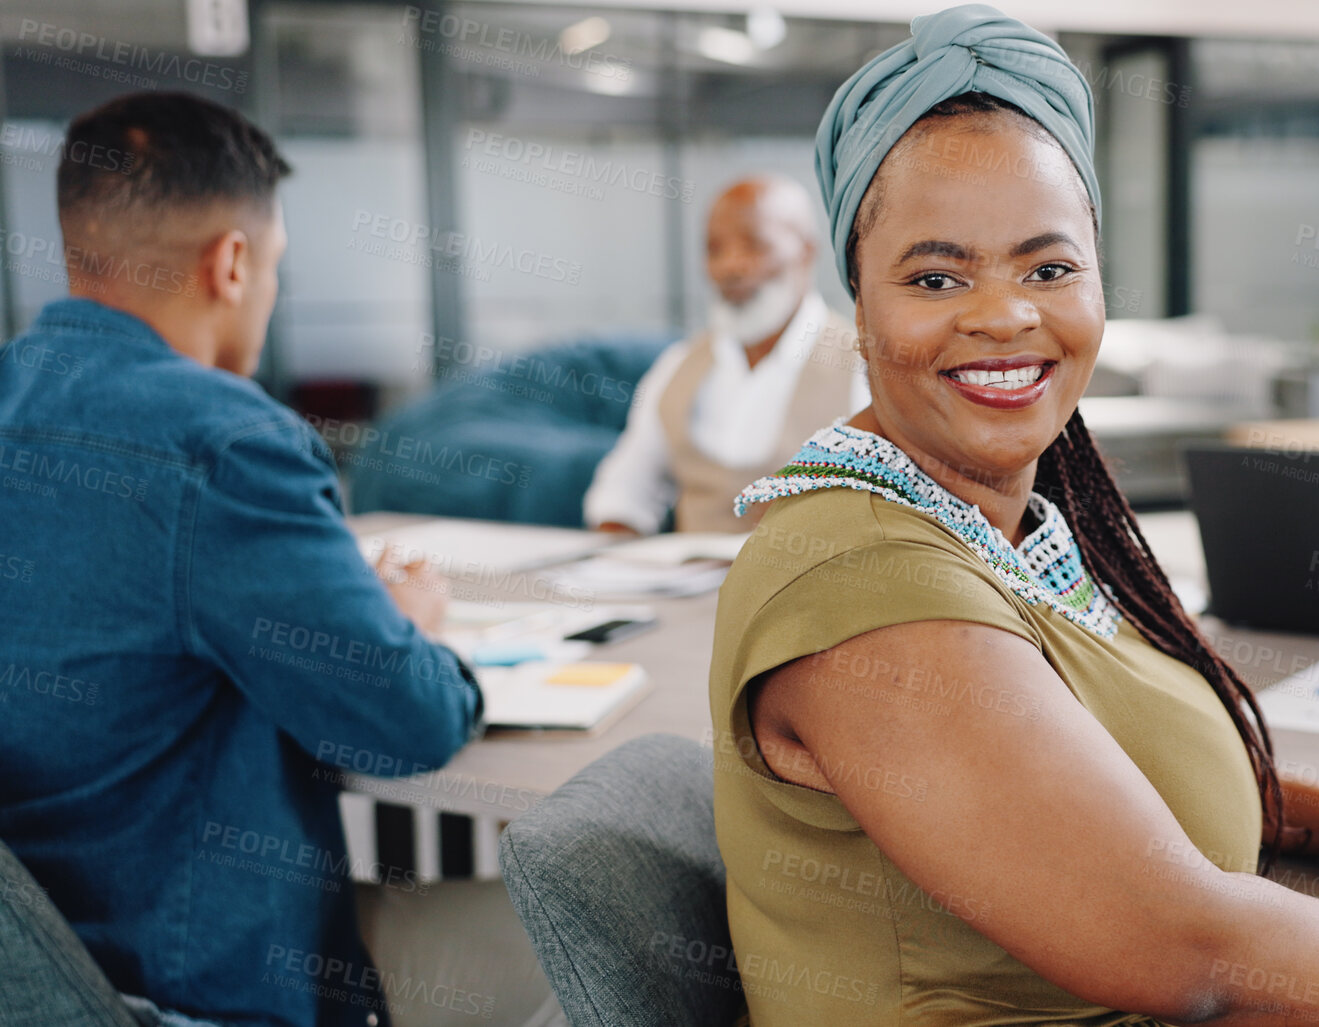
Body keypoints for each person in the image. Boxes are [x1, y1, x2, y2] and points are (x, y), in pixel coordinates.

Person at [705, 9, 1319, 1025]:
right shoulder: (861, 581)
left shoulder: (1018, 525)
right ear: (857, 300)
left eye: (1048, 267)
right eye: (937, 275)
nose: (1005, 314)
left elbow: (1089, 777)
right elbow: (1197, 960)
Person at [0, 92, 481, 1027]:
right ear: (231, 262)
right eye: (275, 270)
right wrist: (404, 628)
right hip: (178, 990)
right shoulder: (224, 443)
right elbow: (410, 722)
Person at [582, 175, 866, 535]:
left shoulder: (861, 366)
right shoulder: (678, 365)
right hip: (684, 585)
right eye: (714, 249)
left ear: (807, 252)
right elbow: (624, 491)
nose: (731, 266)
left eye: (755, 246)